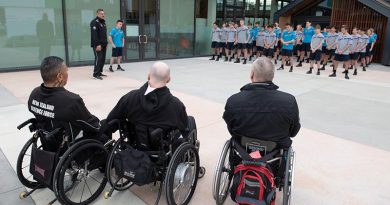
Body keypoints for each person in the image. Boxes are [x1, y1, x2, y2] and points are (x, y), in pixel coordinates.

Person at [106, 62, 188, 148]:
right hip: (162, 150)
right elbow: (183, 127)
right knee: (189, 121)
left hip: (134, 147)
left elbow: (111, 121)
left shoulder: (130, 98)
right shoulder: (176, 105)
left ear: (148, 76)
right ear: (168, 79)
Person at [223, 57, 300, 148]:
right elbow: (293, 131)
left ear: (252, 74)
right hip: (276, 153)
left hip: (242, 150)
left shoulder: (234, 100)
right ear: (272, 76)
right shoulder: (289, 101)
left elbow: (231, 129)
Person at [28, 56, 107, 142]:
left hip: (47, 140)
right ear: (60, 76)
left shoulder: (34, 94)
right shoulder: (71, 101)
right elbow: (92, 125)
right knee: (105, 129)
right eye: (66, 71)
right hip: (67, 144)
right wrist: (100, 124)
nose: (67, 73)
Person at [90, 9, 108, 80]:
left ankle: (100, 72)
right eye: (101, 13)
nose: (103, 15)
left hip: (104, 44)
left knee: (102, 59)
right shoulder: (94, 22)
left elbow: (104, 35)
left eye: (103, 13)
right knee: (99, 58)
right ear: (97, 14)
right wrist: (98, 44)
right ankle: (95, 74)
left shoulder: (103, 22)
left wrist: (106, 44)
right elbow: (94, 35)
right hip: (98, 44)